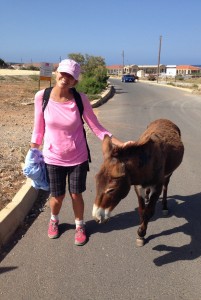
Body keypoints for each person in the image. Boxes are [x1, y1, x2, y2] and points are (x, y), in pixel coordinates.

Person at [30, 59, 133, 246]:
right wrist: (32, 152)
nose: (66, 78)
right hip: (53, 157)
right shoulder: (42, 97)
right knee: (57, 196)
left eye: (71, 76)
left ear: (75, 81)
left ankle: (80, 225)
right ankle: (54, 220)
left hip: (77, 157)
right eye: (63, 73)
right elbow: (38, 128)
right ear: (56, 72)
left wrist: (121, 144)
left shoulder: (80, 99)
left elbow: (98, 128)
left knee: (76, 194)